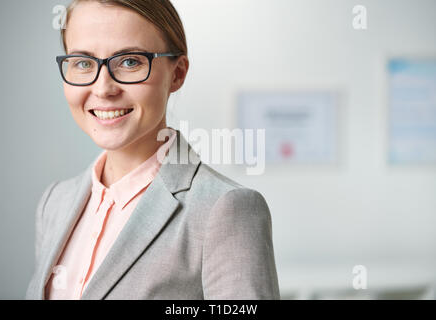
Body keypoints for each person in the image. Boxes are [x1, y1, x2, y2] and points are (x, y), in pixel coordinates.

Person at [26, 0, 280, 300]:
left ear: (177, 74)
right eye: (83, 63)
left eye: (130, 61)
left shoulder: (226, 210)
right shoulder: (55, 202)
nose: (103, 88)